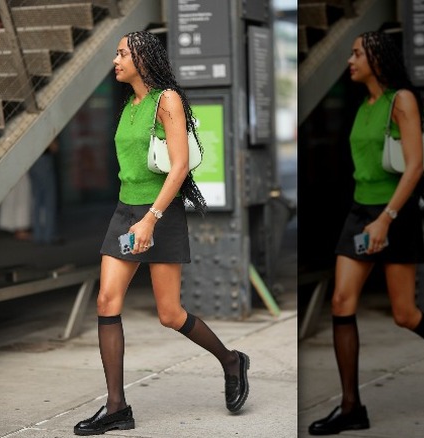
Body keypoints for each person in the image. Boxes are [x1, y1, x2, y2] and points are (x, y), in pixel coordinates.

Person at [73, 31, 250, 436]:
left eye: (121, 53)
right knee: (106, 301)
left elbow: (179, 166)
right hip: (125, 212)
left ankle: (231, 360)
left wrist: (151, 218)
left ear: (141, 56)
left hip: (160, 214)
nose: (115, 60)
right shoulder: (130, 104)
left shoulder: (165, 100)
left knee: (169, 314)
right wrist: (135, 216)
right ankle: (117, 407)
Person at [307, 31, 424, 435]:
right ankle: (352, 406)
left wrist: (386, 218)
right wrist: (368, 215)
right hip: (360, 211)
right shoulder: (364, 105)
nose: (349, 60)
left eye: (356, 54)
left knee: (405, 314)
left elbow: (415, 166)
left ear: (377, 57)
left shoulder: (400, 100)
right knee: (340, 301)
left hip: (395, 214)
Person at [29, 139, 59, 244]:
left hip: (33, 161)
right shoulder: (45, 127)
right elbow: (54, 147)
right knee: (49, 200)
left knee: (36, 200)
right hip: (44, 160)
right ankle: (48, 235)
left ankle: (38, 234)